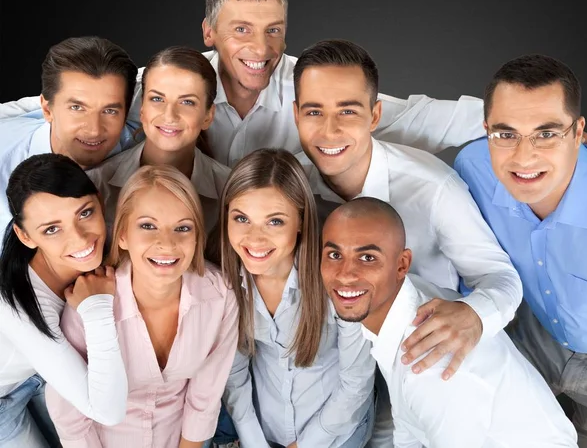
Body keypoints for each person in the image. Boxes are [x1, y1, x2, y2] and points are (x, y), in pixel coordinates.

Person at [1, 0, 488, 168]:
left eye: (273, 29)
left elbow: (420, 117)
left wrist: (518, 122)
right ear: (209, 32)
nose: (260, 47)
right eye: (241, 29)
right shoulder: (164, 87)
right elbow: (44, 105)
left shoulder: (312, 88)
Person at [291, 38, 523, 445]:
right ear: (295, 115)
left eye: (348, 110)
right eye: (314, 112)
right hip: (336, 363)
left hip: (425, 358)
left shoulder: (432, 187)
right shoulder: (295, 185)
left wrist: (473, 316)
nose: (329, 130)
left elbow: (500, 276)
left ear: (375, 114)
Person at [320, 196, 578, 447]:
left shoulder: (431, 373)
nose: (345, 275)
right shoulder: (404, 301)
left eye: (367, 258)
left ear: (402, 265)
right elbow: (408, 422)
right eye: (334, 255)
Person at [454, 54, 587, 448]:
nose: (523, 156)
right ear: (487, 130)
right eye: (506, 134)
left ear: (578, 132)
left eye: (546, 134)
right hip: (533, 333)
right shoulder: (473, 166)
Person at [46, 164, 239, 447]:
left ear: (197, 236)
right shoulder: (90, 303)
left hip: (182, 439)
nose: (167, 243)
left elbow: (205, 397)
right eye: (148, 226)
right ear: (122, 235)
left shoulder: (220, 296)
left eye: (182, 228)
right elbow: (70, 417)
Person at [210, 148, 375, 448]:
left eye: (275, 222)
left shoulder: (338, 280)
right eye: (242, 218)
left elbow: (356, 384)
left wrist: (309, 443)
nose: (255, 238)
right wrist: (253, 442)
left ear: (300, 222)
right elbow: (234, 375)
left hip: (335, 430)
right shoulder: (224, 281)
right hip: (265, 430)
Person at [0, 153, 127, 448]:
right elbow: (108, 412)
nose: (81, 239)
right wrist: (97, 309)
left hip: (39, 376)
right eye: (52, 229)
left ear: (99, 200)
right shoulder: (16, 307)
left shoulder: (109, 233)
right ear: (25, 236)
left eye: (84, 213)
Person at [0, 36, 138, 249]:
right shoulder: (4, 163)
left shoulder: (143, 149)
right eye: (77, 108)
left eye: (109, 111)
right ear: (47, 109)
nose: (94, 130)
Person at [87, 46, 230, 236]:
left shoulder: (231, 191)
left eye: (187, 102)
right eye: (157, 99)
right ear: (142, 108)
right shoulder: (96, 185)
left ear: (208, 116)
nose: (169, 116)